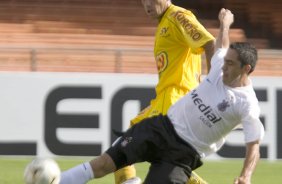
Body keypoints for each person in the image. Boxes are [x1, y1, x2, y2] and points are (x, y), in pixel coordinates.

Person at [59, 8, 264, 184]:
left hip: (182, 155)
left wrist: (245, 176)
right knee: (103, 164)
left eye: (230, 64)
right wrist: (225, 24)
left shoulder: (247, 104)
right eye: (225, 61)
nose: (223, 66)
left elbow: (254, 145)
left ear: (246, 69)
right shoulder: (220, 66)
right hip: (161, 127)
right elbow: (221, 46)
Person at [114, 0, 215, 183]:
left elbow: (209, 43)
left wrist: (214, 85)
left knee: (123, 146)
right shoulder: (165, 22)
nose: (148, 4)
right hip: (169, 100)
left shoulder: (178, 16)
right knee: (166, 160)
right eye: (144, 0)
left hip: (175, 100)